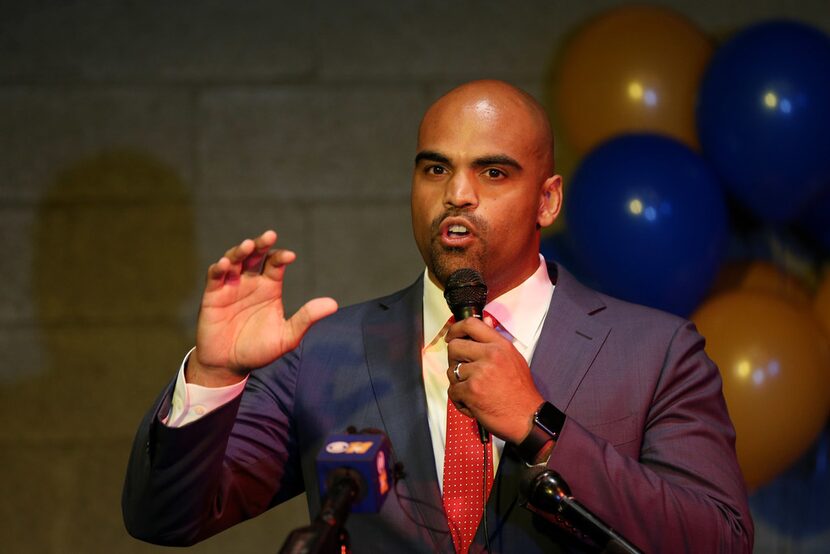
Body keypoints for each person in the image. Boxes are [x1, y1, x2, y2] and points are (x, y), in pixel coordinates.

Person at [122, 80, 753, 553]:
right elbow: (167, 519)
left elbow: (718, 540)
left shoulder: (655, 350)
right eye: (435, 168)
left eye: (493, 171)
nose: (457, 193)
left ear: (548, 199)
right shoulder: (325, 352)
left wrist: (539, 427)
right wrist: (212, 373)